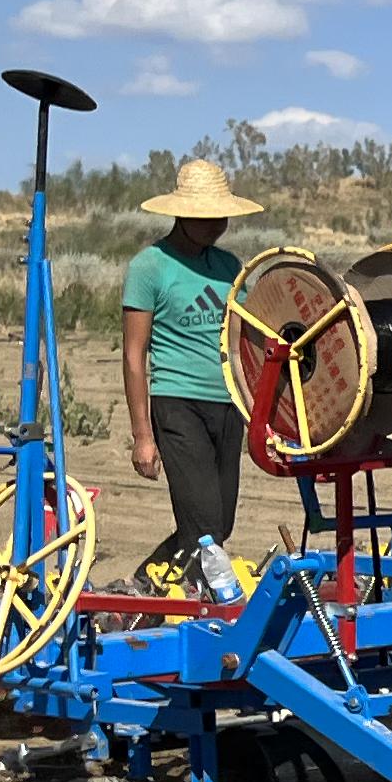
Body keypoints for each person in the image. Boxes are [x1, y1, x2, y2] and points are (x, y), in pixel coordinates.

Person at [118, 155, 260, 549]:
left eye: (221, 218)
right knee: (203, 526)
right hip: (178, 402)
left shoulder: (229, 266)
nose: (216, 226)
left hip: (229, 404)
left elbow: (249, 338)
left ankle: (147, 593)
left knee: (219, 527)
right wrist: (142, 436)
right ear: (181, 214)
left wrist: (258, 414)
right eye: (206, 217)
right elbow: (134, 355)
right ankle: (149, 595)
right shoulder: (150, 266)